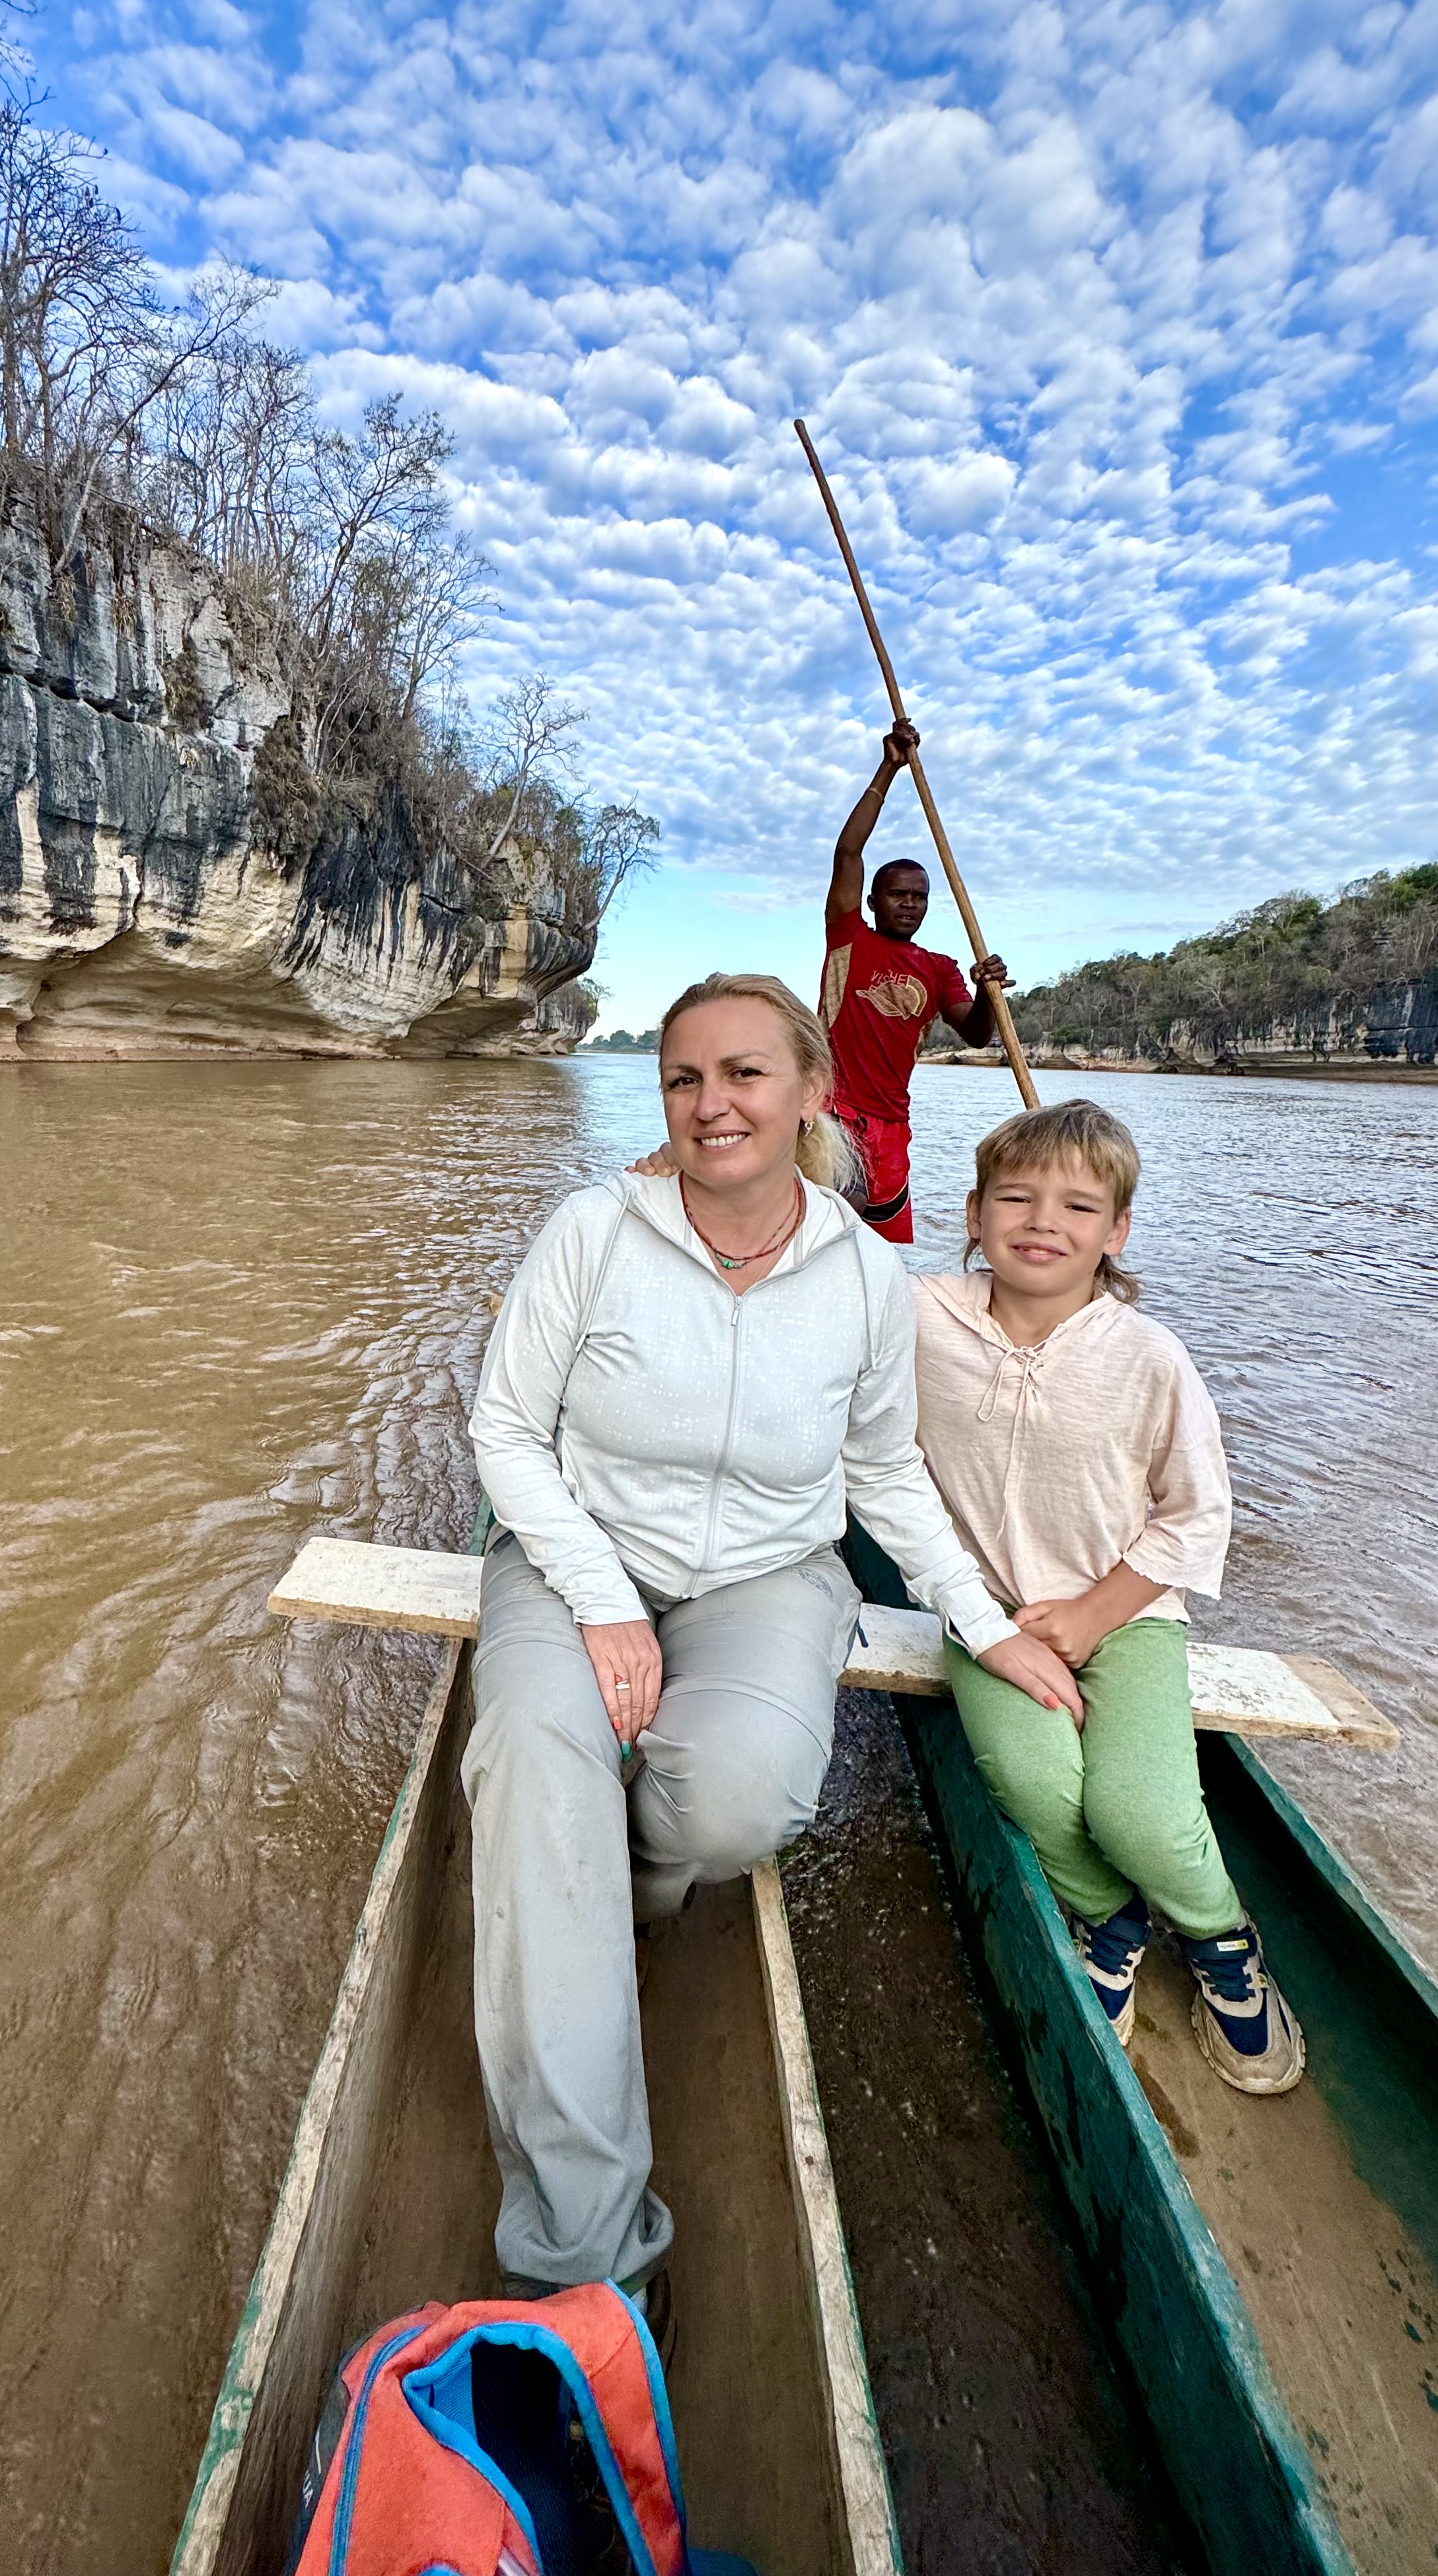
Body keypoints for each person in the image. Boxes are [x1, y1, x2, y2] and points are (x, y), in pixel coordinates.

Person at [464, 972, 1077, 2312]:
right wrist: (602, 1602)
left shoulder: (865, 1276)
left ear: (808, 1095)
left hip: (771, 1572)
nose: (711, 1101)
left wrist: (983, 1625)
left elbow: (885, 1476)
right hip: (581, 1555)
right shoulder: (593, 1232)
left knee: (738, 1800)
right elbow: (506, 1436)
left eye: (744, 1073)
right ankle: (582, 2252)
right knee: (527, 1755)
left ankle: (614, 1879)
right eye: (684, 1078)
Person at [911, 1097, 1306, 2094]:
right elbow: (816, 1267)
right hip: (988, 1611)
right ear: (973, 1212)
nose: (1044, 1221)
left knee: (1140, 1811)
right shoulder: (920, 1317)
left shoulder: (1148, 1356)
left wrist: (1092, 1615)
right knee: (1041, 1787)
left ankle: (1221, 1937)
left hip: (1124, 1612)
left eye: (1079, 1207)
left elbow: (1195, 1516)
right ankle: (1112, 1915)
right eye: (1017, 1197)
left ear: (1116, 1232)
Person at [822, 720, 1012, 1241]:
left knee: (878, 1245)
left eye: (919, 896)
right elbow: (847, 854)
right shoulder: (848, 939)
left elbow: (975, 1034)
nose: (909, 903)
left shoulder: (939, 967)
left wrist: (986, 991)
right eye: (898, 894)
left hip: (892, 1123)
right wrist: (890, 767)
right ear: (873, 901)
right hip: (833, 1110)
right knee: (842, 1207)